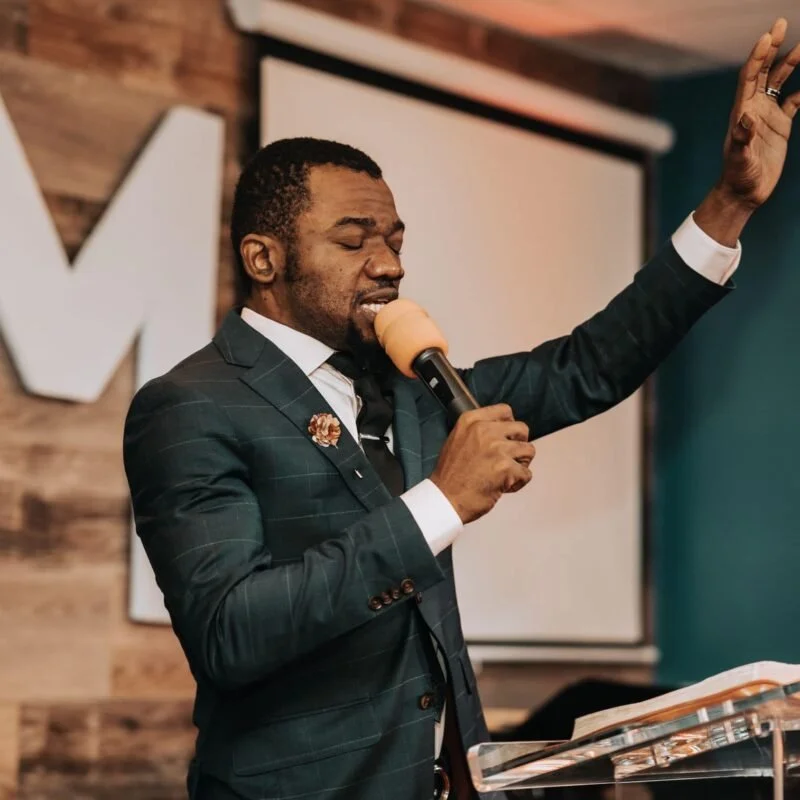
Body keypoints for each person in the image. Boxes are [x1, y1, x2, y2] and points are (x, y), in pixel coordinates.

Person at [123, 19, 800, 800]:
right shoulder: (189, 406)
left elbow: (587, 366)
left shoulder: (416, 389)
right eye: (354, 241)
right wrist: (440, 503)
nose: (389, 264)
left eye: (394, 239)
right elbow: (230, 634)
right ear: (264, 258)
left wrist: (729, 203)